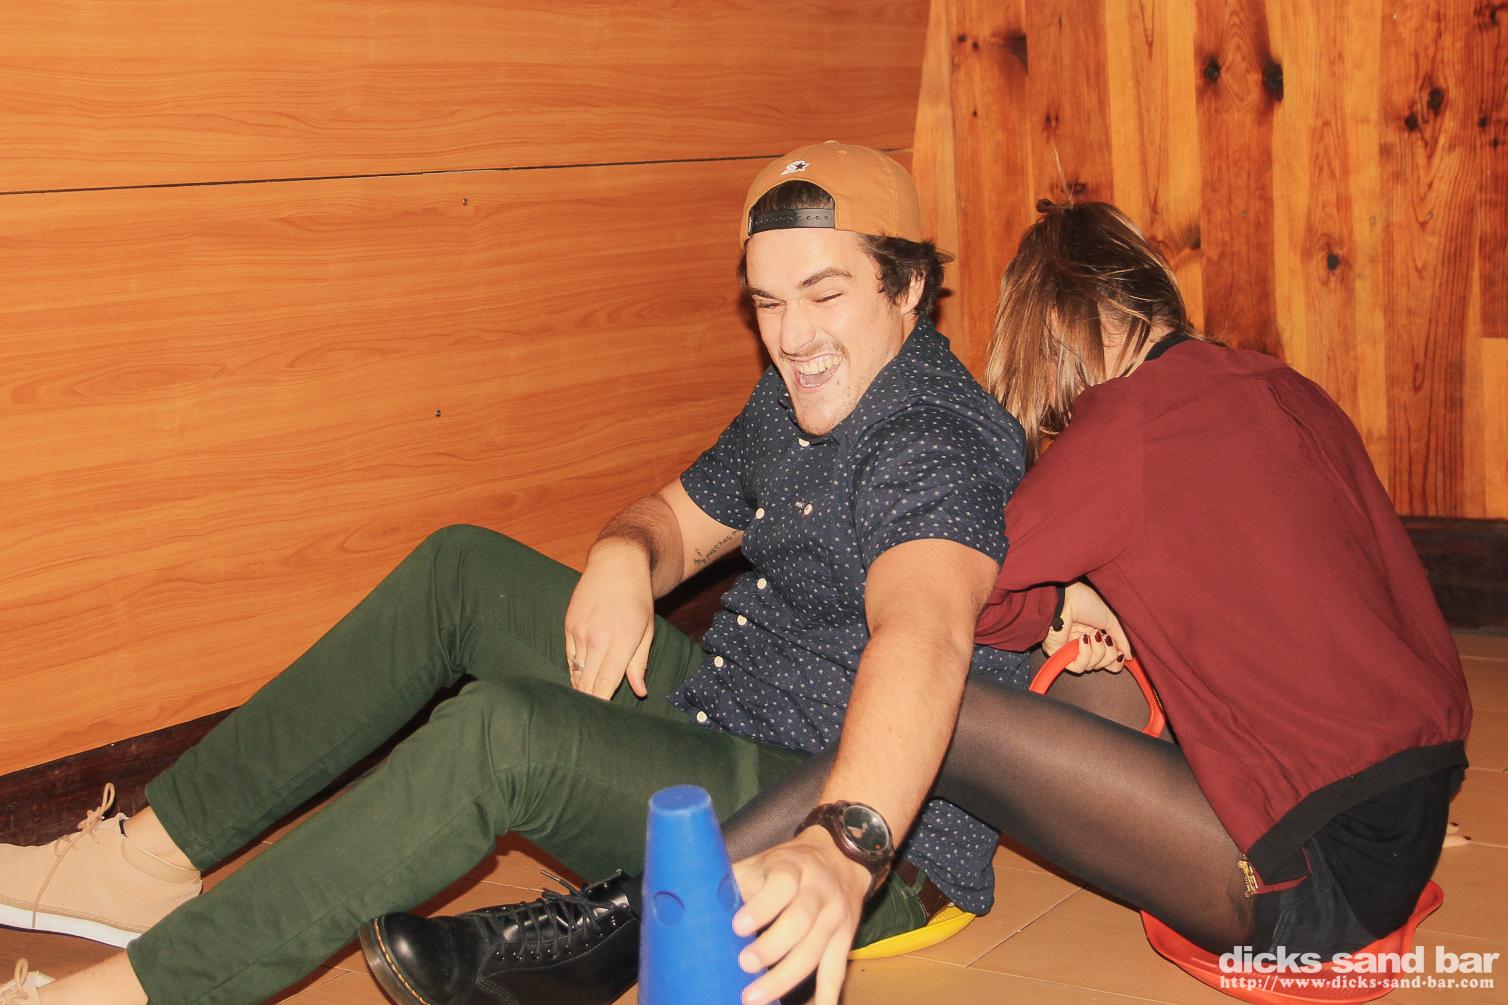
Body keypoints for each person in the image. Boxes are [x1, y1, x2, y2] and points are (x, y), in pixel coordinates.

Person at [0, 142, 1031, 1005]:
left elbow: (925, 633)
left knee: (503, 735)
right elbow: (672, 522)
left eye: (824, 294)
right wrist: (624, 555)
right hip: (726, 715)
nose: (793, 336)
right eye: (768, 302)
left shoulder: (930, 441)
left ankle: (143, 990)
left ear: (907, 285)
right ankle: (143, 861)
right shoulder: (800, 393)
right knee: (463, 570)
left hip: (845, 827)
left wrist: (843, 844)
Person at [631, 199, 1473, 997]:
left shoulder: (1124, 424)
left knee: (955, 710)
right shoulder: (1286, 386)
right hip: (1411, 807)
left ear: (1050, 332)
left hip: (1313, 885)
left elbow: (984, 594)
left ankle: (667, 907)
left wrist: (1062, 597)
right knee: (1106, 680)